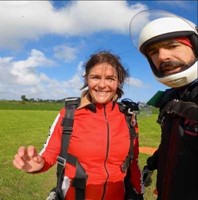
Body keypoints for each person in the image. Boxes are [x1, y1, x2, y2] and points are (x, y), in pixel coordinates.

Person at [13, 51, 144, 200]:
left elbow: (132, 163)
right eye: (95, 77)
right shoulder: (69, 113)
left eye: (110, 78)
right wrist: (38, 164)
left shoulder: (128, 117)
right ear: (86, 79)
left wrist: (139, 194)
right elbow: (49, 153)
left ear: (118, 81)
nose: (102, 85)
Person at [129, 10, 198, 200]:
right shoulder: (170, 97)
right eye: (154, 52)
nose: (162, 56)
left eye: (172, 46)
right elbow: (172, 141)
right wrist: (151, 164)